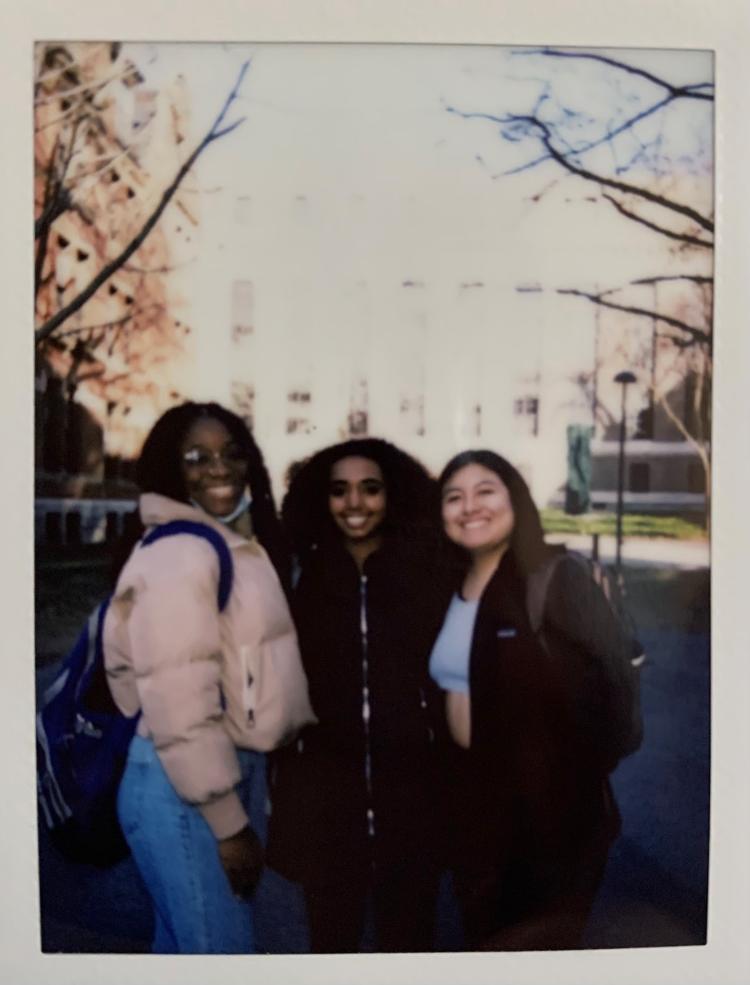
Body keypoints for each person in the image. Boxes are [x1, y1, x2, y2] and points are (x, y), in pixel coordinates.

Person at [102, 401, 313, 954]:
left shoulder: (219, 541)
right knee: (218, 955)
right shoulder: (183, 552)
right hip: (188, 788)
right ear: (173, 470)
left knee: (183, 949)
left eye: (230, 454)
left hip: (204, 770)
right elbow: (177, 696)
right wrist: (227, 821)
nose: (218, 468)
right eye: (196, 457)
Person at [429, 449, 638, 950]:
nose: (468, 507)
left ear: (515, 500)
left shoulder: (557, 579)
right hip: (475, 819)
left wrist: (561, 786)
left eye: (485, 492)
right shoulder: (445, 586)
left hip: (547, 825)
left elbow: (616, 701)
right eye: (453, 497)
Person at [266, 438, 449, 953]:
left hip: (412, 802)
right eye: (339, 491)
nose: (355, 504)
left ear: (393, 496)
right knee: (332, 944)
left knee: (410, 943)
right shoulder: (301, 575)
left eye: (370, 490)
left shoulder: (427, 571)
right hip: (327, 807)